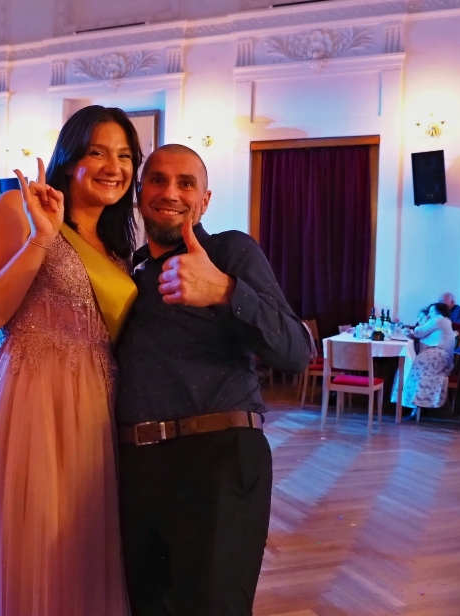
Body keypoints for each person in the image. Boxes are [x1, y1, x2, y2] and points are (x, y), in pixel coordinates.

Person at [0, 106, 141, 616]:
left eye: (125, 156)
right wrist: (40, 239)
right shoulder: (17, 210)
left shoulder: (117, 245)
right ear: (70, 159)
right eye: (98, 152)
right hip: (30, 405)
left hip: (96, 411)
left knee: (78, 556)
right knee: (29, 553)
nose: (113, 167)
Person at [115, 144, 311, 616]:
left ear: (204, 201)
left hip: (218, 459)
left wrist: (224, 290)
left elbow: (295, 352)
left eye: (186, 183)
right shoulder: (125, 271)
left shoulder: (229, 251)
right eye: (157, 180)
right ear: (140, 194)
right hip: (135, 468)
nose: (170, 192)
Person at [401, 302, 456, 412]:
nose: (429, 314)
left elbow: (418, 332)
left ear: (439, 312)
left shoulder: (438, 319)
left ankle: (414, 407)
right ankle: (413, 406)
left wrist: (423, 321)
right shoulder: (444, 321)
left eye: (431, 311)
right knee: (413, 366)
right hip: (443, 357)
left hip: (437, 355)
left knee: (412, 368)